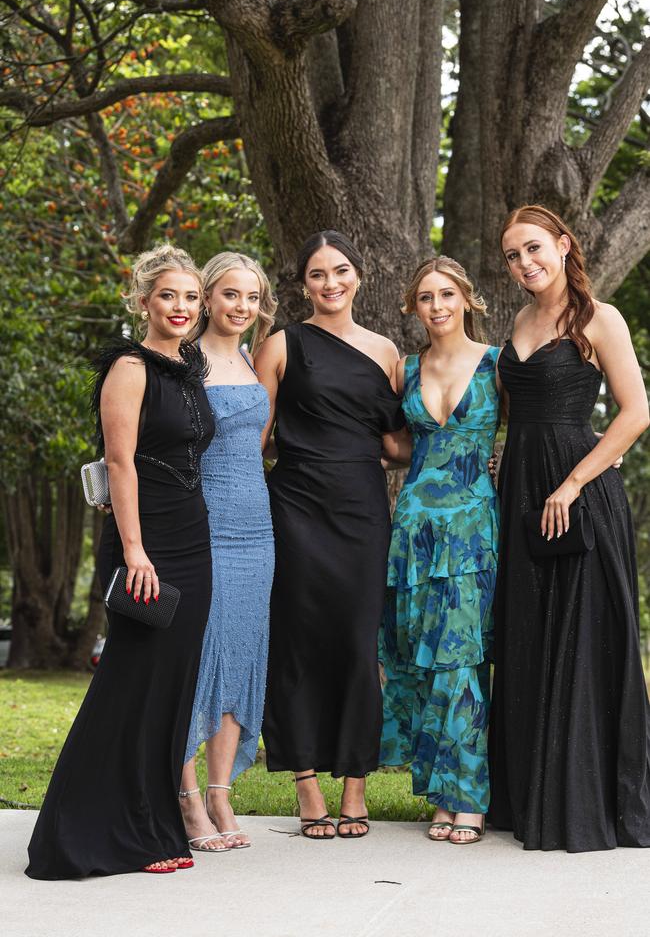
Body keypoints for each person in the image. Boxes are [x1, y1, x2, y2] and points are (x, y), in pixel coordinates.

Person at [26, 245, 215, 878]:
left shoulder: (189, 368)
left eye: (191, 297)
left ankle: (152, 826)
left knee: (171, 687)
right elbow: (119, 462)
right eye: (169, 296)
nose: (182, 308)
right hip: (146, 542)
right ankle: (82, 832)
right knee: (131, 680)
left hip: (192, 537)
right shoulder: (130, 368)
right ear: (143, 301)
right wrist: (134, 549)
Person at [489, 204, 650, 852]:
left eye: (533, 249)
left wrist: (574, 482)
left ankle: (584, 802)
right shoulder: (519, 320)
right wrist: (507, 454)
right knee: (530, 631)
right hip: (523, 490)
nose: (524, 263)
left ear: (562, 245)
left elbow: (636, 413)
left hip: (577, 492)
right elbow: (522, 408)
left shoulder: (597, 318)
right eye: (512, 255)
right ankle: (532, 795)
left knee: (581, 637)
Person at [256, 230, 405, 838]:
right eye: (317, 274)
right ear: (303, 285)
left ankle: (357, 786)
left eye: (341, 271)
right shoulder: (280, 344)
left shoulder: (387, 350)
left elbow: (396, 445)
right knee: (298, 641)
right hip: (294, 508)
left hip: (362, 511)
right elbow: (254, 437)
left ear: (359, 276)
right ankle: (307, 784)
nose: (331, 283)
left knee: (356, 643)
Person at [380, 256, 500, 845]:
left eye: (447, 294)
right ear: (413, 306)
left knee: (461, 656)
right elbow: (401, 448)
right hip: (415, 530)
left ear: (468, 299)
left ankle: (469, 796)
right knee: (421, 659)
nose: (437, 306)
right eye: (425, 297)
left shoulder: (498, 363)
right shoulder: (406, 368)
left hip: (473, 531)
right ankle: (439, 792)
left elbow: (533, 428)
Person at [178, 252, 276, 852]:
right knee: (197, 654)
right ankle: (186, 795)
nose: (241, 308)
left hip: (256, 526)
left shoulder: (249, 358)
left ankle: (221, 792)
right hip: (199, 521)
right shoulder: (181, 361)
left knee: (242, 650)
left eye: (252, 298)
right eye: (230, 295)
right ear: (208, 297)